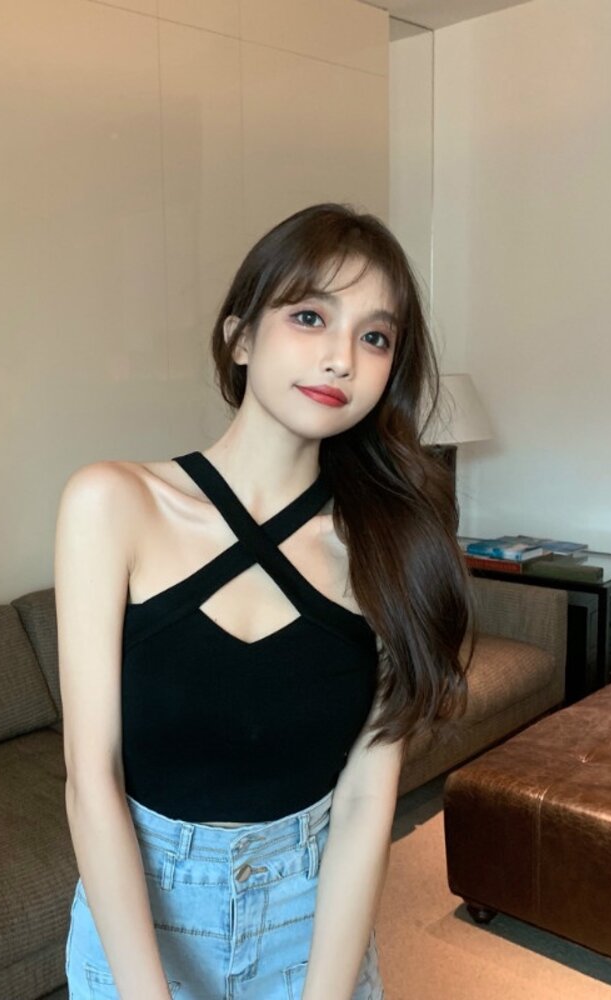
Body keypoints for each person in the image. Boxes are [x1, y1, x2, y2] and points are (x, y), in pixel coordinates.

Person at [54, 202, 475, 999]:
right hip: (141, 919)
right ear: (240, 337)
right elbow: (91, 777)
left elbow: (364, 799)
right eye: (311, 316)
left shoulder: (386, 544)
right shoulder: (111, 504)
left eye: (375, 337)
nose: (341, 359)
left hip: (308, 915)